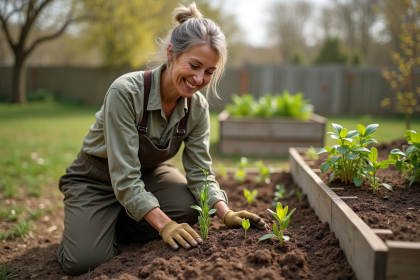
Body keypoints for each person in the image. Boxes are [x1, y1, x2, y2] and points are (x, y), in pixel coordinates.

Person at [57, 2, 266, 276]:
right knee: (84, 261)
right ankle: (93, 224)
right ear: (171, 53)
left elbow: (200, 171)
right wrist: (165, 225)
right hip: (96, 179)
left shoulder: (197, 109)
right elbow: (124, 175)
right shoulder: (125, 93)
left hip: (148, 177)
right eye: (194, 65)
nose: (199, 78)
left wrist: (225, 212)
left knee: (189, 210)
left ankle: (116, 221)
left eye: (209, 72)